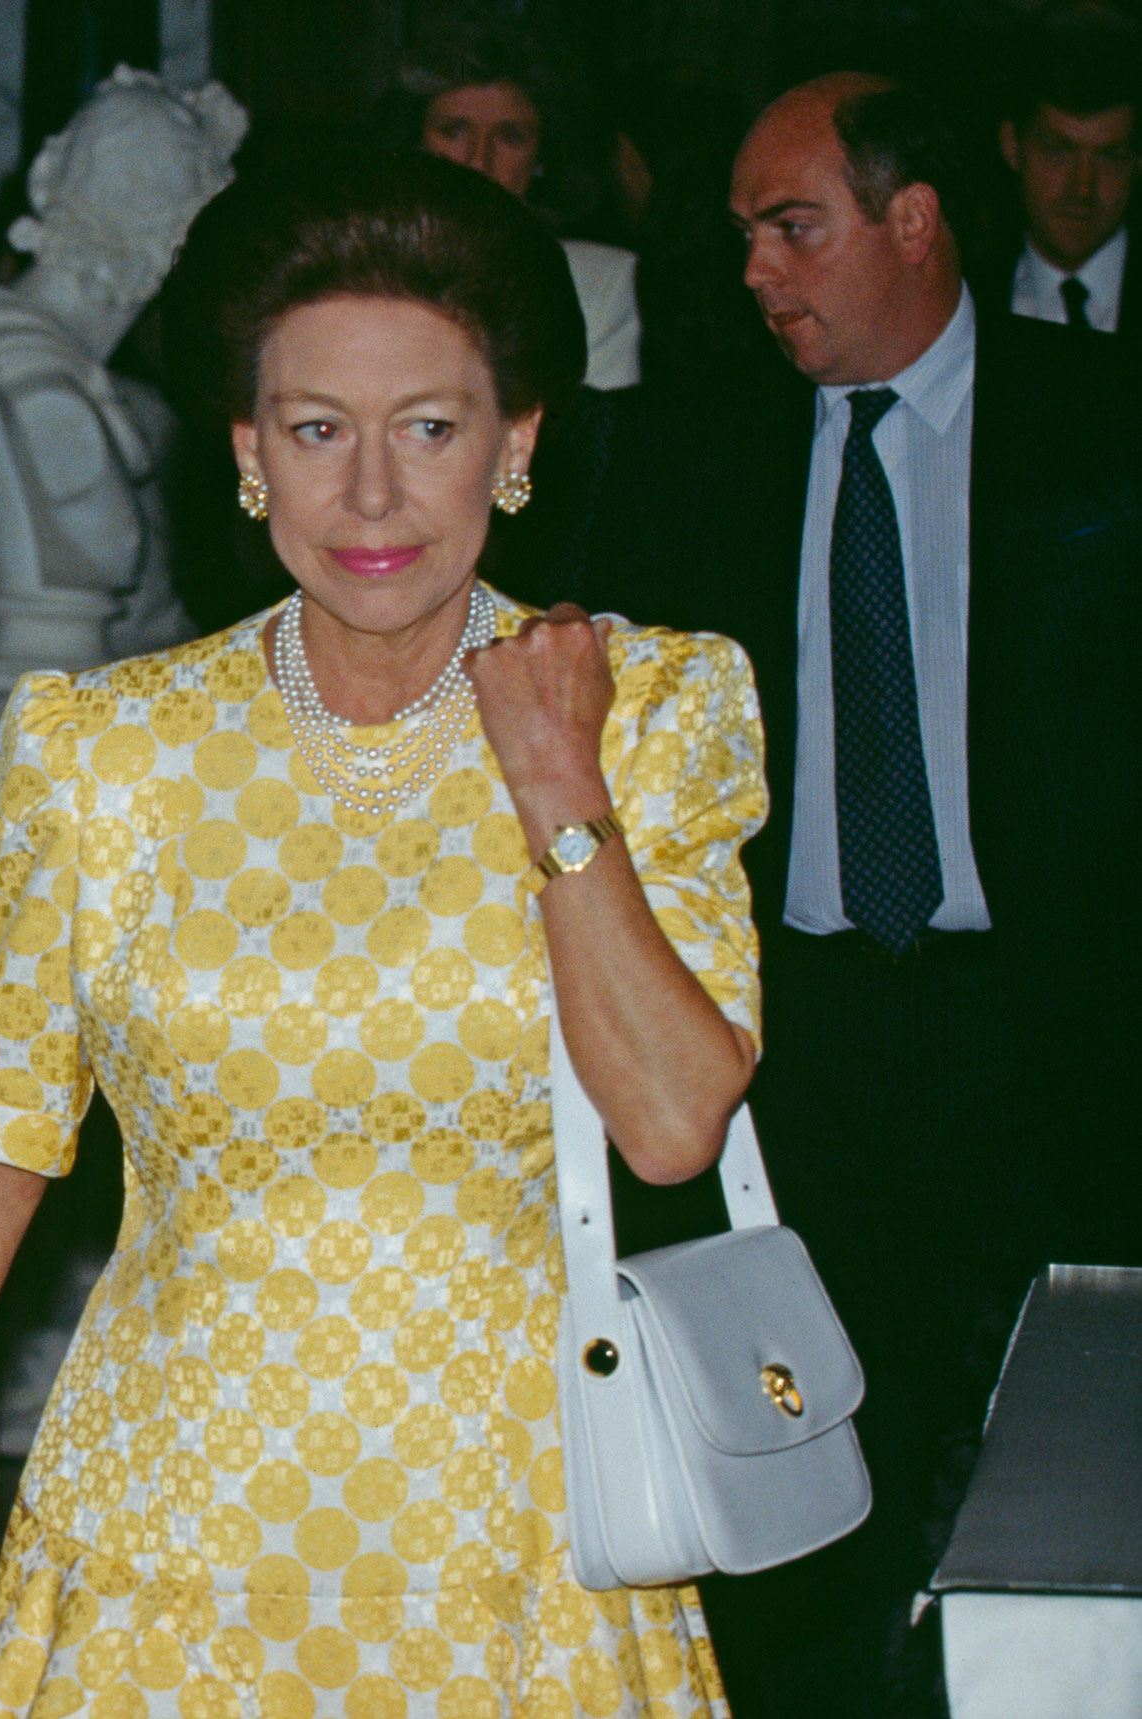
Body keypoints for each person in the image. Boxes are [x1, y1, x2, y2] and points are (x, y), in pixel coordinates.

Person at [0, 149, 764, 1719]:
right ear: (249, 453)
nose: (370, 495)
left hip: (516, 1545)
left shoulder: (654, 707)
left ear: (514, 443)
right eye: (317, 431)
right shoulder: (107, 748)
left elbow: (671, 1123)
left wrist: (556, 788)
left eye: (428, 430)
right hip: (166, 1551)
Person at [580, 72, 1141, 1718]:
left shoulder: (1105, 421)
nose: (759, 271)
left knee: (1062, 1454)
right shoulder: (698, 441)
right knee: (806, 1462)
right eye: (747, 234)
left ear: (913, 221)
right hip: (795, 1036)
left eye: (794, 226)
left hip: (1051, 1025)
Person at [384, 16, 642, 390]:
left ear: (542, 159)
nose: (478, 160)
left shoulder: (603, 283)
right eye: (454, 131)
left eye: (510, 137)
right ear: (414, 145)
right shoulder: (351, 267)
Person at [995, 15, 1140, 336]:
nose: (1083, 188)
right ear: (1012, 146)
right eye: (1059, 151)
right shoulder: (961, 296)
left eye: (1110, 157)